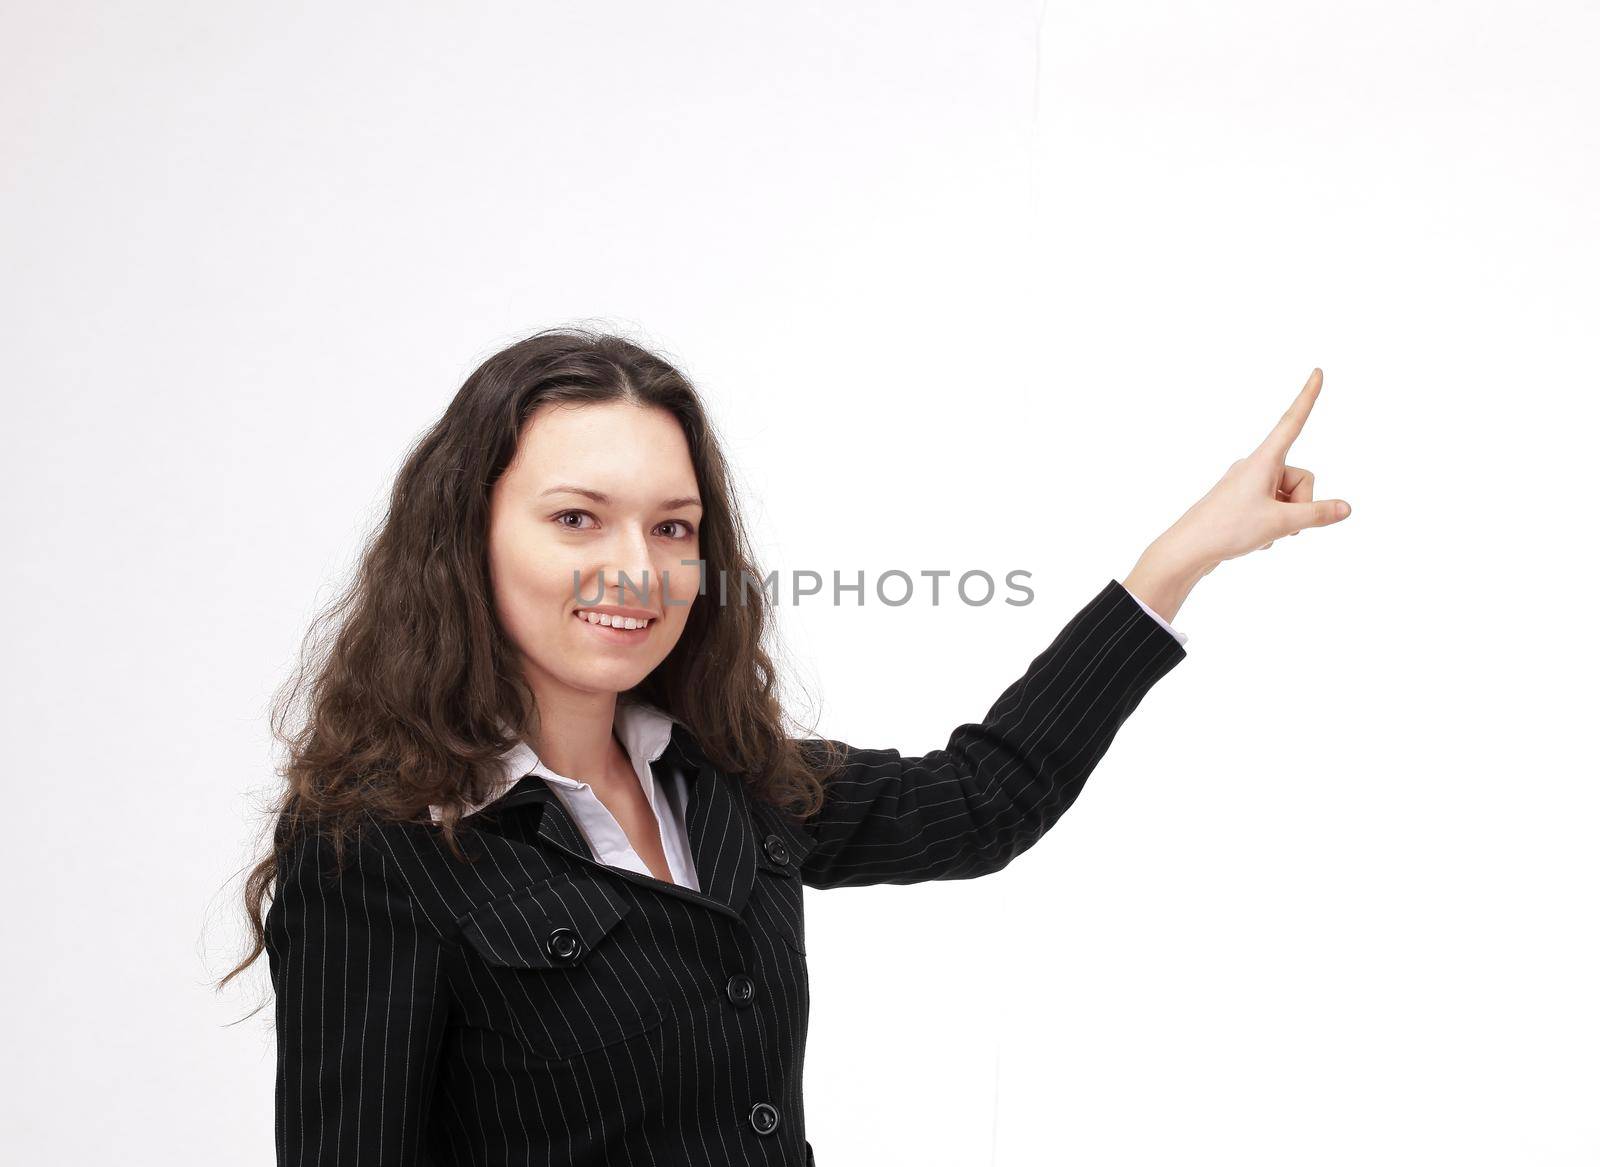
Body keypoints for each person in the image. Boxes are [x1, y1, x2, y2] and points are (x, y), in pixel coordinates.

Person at [218, 328, 1350, 1165]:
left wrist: (1174, 562)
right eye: (576, 518)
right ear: (468, 536)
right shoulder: (374, 848)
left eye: (672, 527)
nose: (637, 566)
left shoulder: (726, 779)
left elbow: (983, 800)